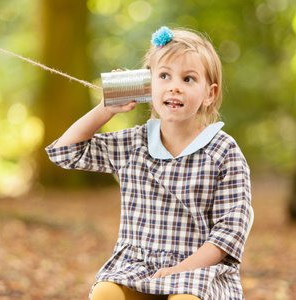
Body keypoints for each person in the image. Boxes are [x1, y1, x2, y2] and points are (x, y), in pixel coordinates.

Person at [45, 26, 252, 300]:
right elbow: (65, 152)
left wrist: (181, 269)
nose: (174, 86)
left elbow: (230, 231)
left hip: (197, 270)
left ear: (209, 94)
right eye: (164, 76)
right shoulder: (134, 144)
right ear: (147, 85)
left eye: (188, 79)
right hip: (136, 266)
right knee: (105, 293)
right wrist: (104, 109)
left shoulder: (223, 151)